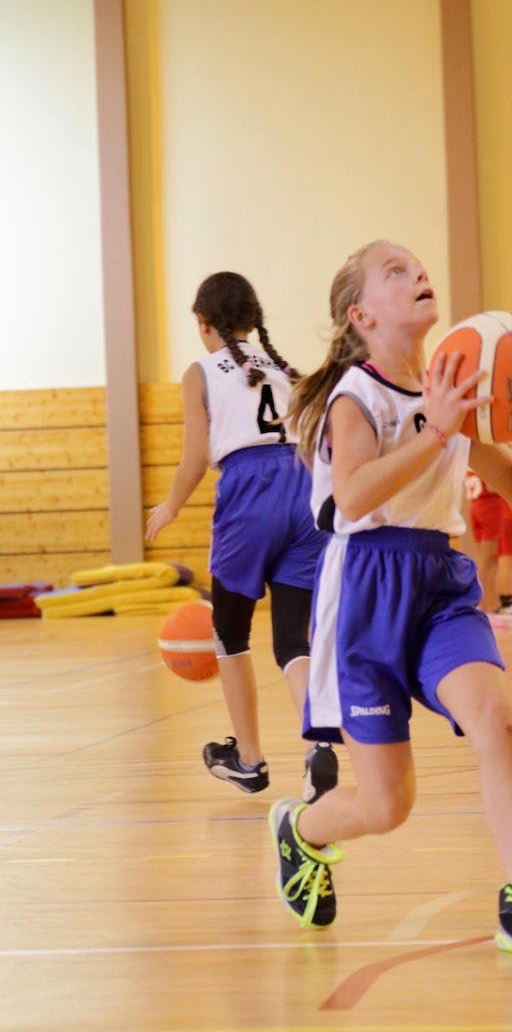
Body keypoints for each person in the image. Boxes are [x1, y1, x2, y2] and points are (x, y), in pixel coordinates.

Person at [269, 239, 512, 962]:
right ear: (362, 315)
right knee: (387, 806)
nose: (418, 274)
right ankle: (300, 831)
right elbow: (352, 497)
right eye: (395, 272)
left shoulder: (455, 389)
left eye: (418, 266)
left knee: (496, 720)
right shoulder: (357, 396)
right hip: (365, 588)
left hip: (439, 581)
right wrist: (437, 430)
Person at [145, 271, 340, 801]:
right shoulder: (286, 369)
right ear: (253, 321)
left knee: (230, 633)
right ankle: (319, 743)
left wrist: (170, 506)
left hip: (251, 491)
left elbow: (194, 458)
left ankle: (249, 761)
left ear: (204, 324)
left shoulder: (199, 372)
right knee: (293, 641)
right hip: (305, 487)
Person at [466, 467, 512, 621]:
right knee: (488, 561)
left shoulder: (470, 462)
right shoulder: (488, 459)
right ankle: (483, 608)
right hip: (488, 506)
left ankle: (489, 607)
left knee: (483, 560)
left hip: (475, 505)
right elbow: (494, 486)